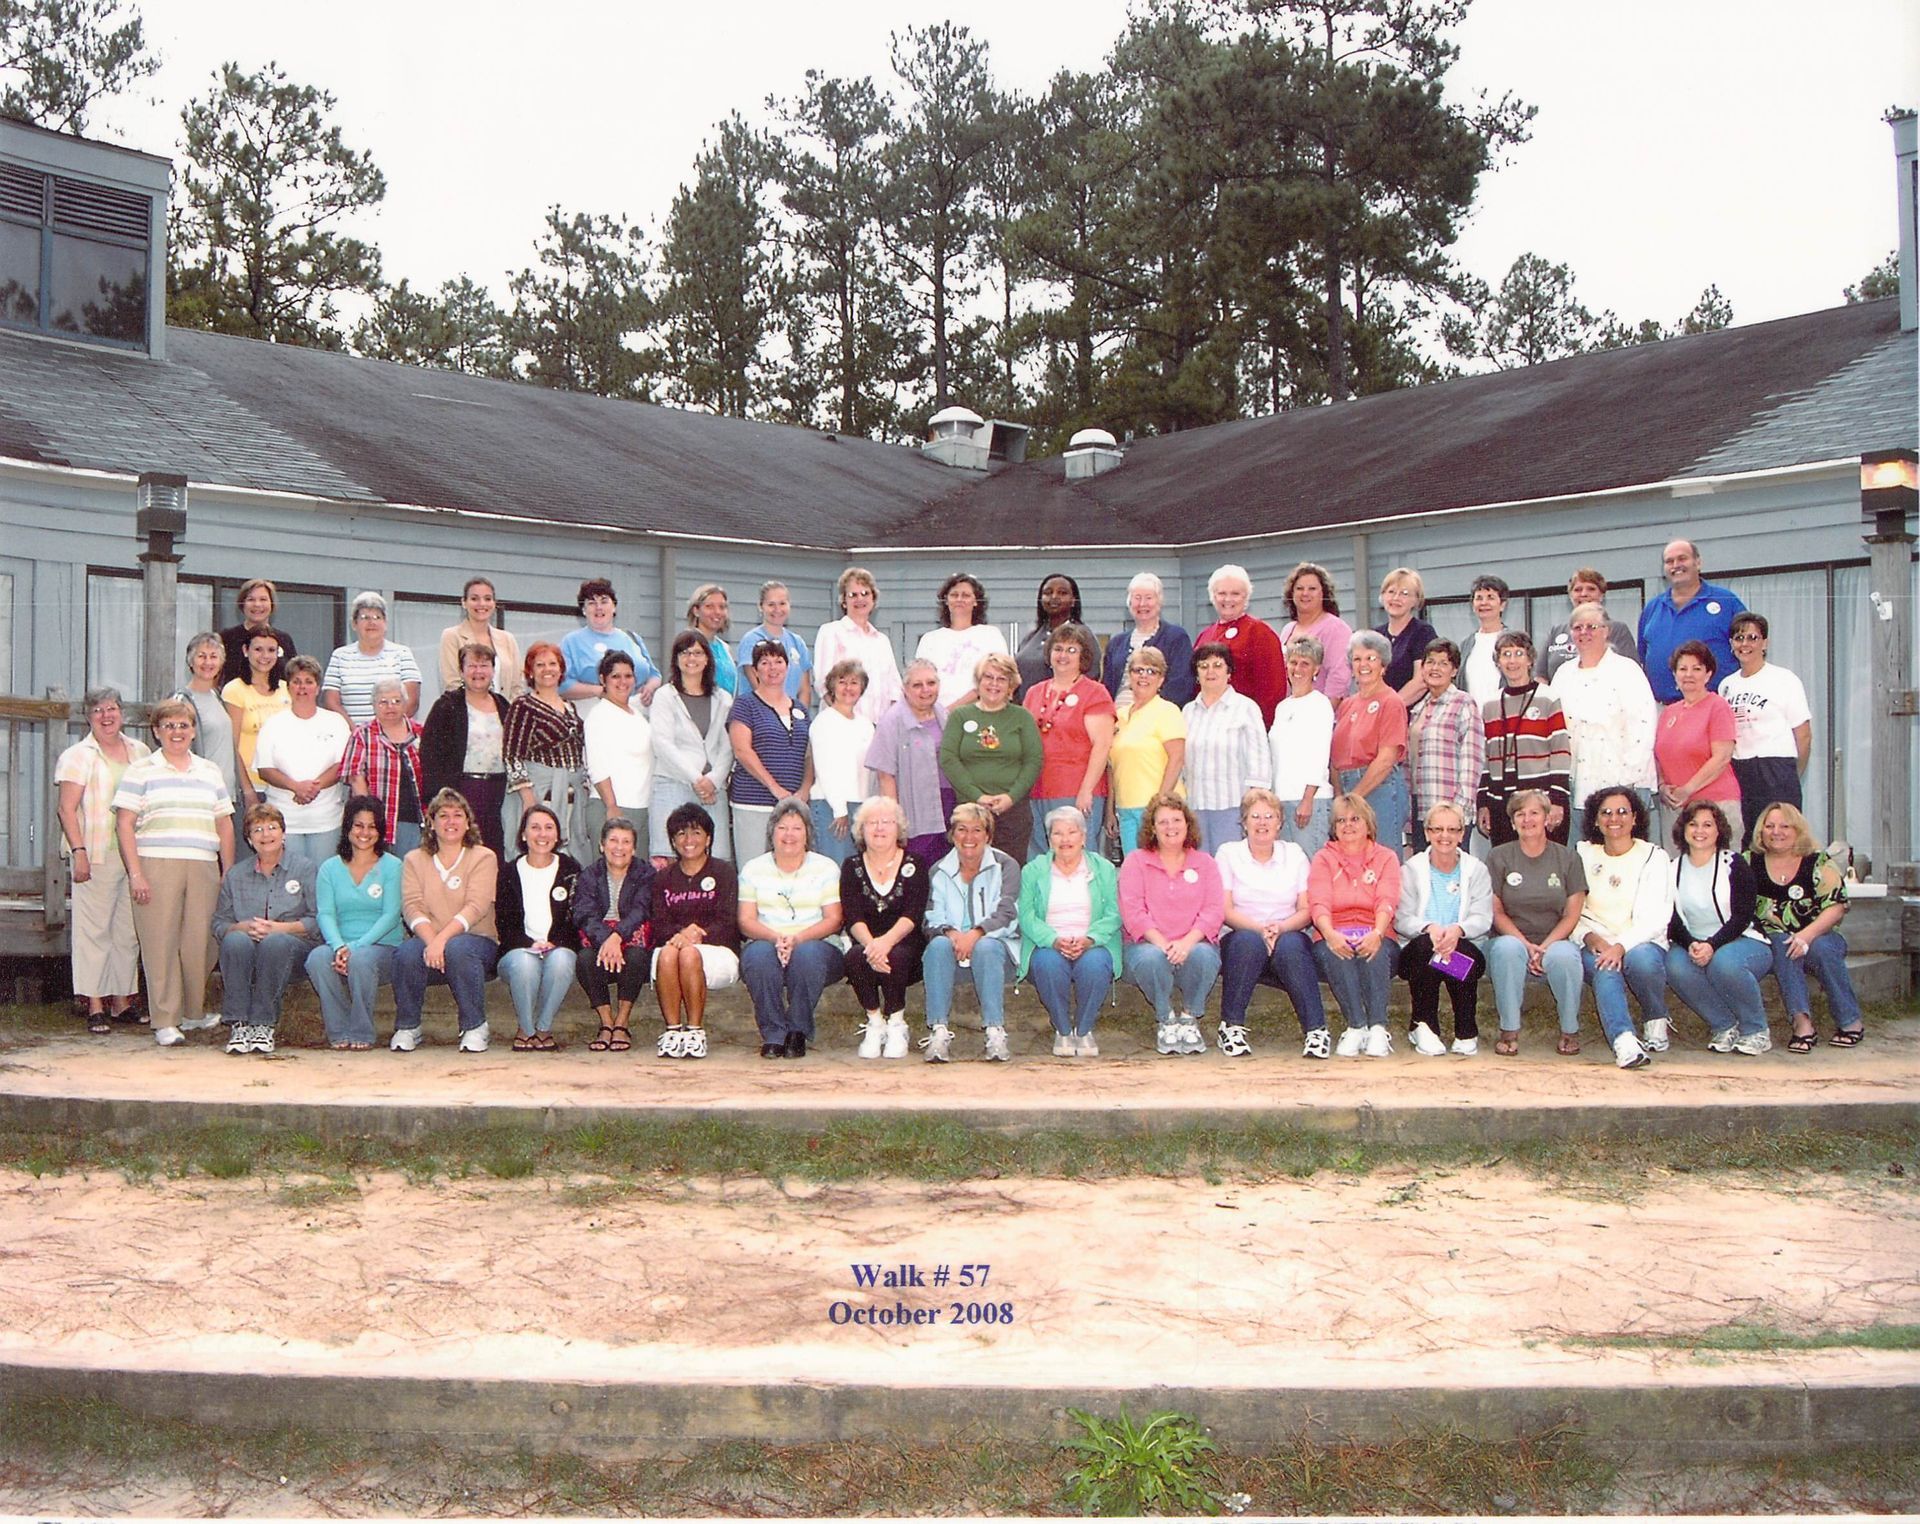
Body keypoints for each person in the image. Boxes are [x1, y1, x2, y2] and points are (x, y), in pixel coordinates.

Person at [113, 697, 236, 1046]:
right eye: (169, 726)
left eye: (183, 725)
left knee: (200, 942)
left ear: (194, 731)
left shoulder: (209, 770)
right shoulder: (142, 770)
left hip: (202, 865)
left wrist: (227, 871)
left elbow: (224, 824)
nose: (177, 732)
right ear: (156, 731)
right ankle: (165, 1019)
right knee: (159, 942)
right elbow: (125, 823)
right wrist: (136, 873)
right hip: (156, 863)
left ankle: (193, 1013)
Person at [56, 687, 149, 1034]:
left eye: (112, 708)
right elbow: (66, 808)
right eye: (98, 710)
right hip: (95, 852)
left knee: (127, 931)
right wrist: (78, 851)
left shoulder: (140, 751)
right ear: (88, 716)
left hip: (134, 853)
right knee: (93, 930)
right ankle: (95, 1002)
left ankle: (123, 1000)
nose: (106, 716)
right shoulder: (78, 755)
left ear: (121, 713)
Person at [1216, 787, 1326, 1058]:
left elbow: (1306, 909)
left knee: (1291, 945)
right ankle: (1231, 1026)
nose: (1262, 822)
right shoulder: (1228, 853)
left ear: (1280, 822)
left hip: (1286, 934)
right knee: (1248, 941)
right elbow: (1224, 909)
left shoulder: (1295, 854)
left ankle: (1316, 1029)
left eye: (1269, 816)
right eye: (1255, 816)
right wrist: (1260, 930)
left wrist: (1280, 928)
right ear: (1244, 823)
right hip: (1242, 937)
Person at [1748, 802, 1865, 1053]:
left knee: (1821, 949)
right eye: (1769, 826)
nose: (1776, 831)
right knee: (1783, 944)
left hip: (1820, 935)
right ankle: (1802, 1023)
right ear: (1761, 831)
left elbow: (1836, 906)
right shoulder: (1749, 862)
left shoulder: (1817, 861)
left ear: (1797, 830)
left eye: (1784, 826)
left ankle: (1850, 1021)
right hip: (1773, 941)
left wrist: (1806, 935)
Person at [392, 788, 500, 1053]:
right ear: (431, 822)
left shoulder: (484, 857)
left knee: (458, 948)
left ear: (467, 822)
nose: (450, 822)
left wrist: (441, 940)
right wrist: (433, 942)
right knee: (406, 953)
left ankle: (475, 1026)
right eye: (443, 816)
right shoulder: (414, 859)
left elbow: (477, 906)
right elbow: (412, 906)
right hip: (431, 941)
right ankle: (408, 1027)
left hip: (477, 942)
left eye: (457, 815)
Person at [737, 797, 846, 1058]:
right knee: (758, 958)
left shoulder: (825, 867)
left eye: (797, 828)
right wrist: (778, 938)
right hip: (766, 940)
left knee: (807, 955)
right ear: (771, 832)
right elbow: (746, 921)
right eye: (782, 827)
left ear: (808, 833)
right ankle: (774, 1034)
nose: (789, 835)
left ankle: (797, 1031)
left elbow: (833, 920)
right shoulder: (753, 869)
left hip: (818, 945)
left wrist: (796, 939)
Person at [1119, 793, 1225, 1058]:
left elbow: (1213, 911)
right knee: (1151, 958)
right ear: (1152, 828)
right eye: (1163, 822)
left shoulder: (1206, 863)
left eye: (1176, 820)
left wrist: (1187, 942)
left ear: (1187, 824)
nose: (1170, 827)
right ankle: (1166, 1019)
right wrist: (1164, 944)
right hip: (1147, 945)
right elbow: (1133, 912)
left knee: (1203, 955)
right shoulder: (1135, 862)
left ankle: (1189, 1019)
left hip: (1193, 943)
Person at [1573, 786, 1672, 1069]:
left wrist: (1621, 946)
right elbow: (1571, 911)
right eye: (1605, 812)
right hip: (1596, 941)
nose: (1613, 818)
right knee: (1605, 968)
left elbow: (1657, 916)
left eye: (1621, 812)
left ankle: (1655, 1017)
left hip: (1641, 941)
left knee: (1641, 960)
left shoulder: (1654, 856)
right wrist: (1588, 936)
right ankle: (1624, 1041)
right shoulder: (1582, 854)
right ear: (1594, 819)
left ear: (1636, 818)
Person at [1664, 800, 1772, 1055]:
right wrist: (1691, 943)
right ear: (1683, 829)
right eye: (1693, 824)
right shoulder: (1671, 868)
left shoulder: (1734, 864)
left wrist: (1712, 945)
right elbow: (1671, 919)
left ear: (1718, 831)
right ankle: (1724, 1025)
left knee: (1724, 962)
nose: (1699, 831)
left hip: (1743, 941)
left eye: (1707, 825)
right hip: (1694, 942)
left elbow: (1743, 915)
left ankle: (1756, 1030)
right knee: (1674, 965)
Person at [1485, 791, 1588, 1057]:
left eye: (1534, 813)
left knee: (1565, 956)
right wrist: (1526, 945)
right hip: (1510, 939)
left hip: (1554, 940)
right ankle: (1509, 1029)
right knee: (1507, 950)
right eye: (1520, 814)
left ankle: (1570, 1029)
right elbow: (1496, 912)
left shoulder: (1568, 858)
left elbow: (1572, 914)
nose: (1527, 819)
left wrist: (1544, 947)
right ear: (1512, 822)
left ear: (1547, 818)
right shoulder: (1498, 856)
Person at [212, 803, 317, 1055]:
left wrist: (280, 928)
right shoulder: (236, 875)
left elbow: (317, 919)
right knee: (235, 940)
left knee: (275, 942)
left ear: (283, 834)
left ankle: (262, 1024)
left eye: (272, 827)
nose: (266, 835)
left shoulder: (305, 869)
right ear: (248, 839)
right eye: (257, 830)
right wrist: (242, 927)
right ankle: (239, 1025)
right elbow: (219, 924)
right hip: (248, 947)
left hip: (293, 948)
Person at [1017, 804, 1122, 1057]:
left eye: (1072, 832)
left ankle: (1084, 1030)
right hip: (1048, 943)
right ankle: (1063, 1031)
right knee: (1047, 964)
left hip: (1092, 942)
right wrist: (1053, 940)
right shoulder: (1033, 870)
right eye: (1057, 833)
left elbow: (1114, 914)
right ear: (1049, 838)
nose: (1065, 839)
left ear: (1084, 837)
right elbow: (1026, 915)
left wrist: (1090, 939)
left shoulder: (1104, 869)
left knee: (1096, 964)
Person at [922, 801, 1022, 1063]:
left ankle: (994, 1031)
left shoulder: (1006, 865)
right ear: (952, 835)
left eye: (977, 830)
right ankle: (939, 1031)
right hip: (952, 953)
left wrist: (976, 934)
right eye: (962, 830)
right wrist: (952, 933)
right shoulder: (939, 871)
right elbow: (931, 918)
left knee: (987, 947)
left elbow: (1008, 913)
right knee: (937, 946)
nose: (969, 837)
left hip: (996, 952)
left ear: (988, 835)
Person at [304, 796, 405, 1051]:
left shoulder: (393, 866)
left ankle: (362, 1030)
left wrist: (356, 947)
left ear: (380, 830)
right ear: (347, 827)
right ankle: (338, 1030)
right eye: (358, 825)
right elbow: (325, 914)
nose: (365, 833)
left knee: (361, 959)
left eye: (372, 826)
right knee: (317, 958)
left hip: (382, 948)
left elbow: (391, 915)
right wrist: (339, 947)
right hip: (341, 946)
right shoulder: (329, 868)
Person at [1394, 803, 1492, 1057]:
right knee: (1428, 949)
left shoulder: (1477, 870)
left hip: (1463, 949)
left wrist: (1458, 930)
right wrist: (1429, 927)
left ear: (1462, 833)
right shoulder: (1411, 870)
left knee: (1456, 954)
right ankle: (1424, 1025)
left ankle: (1465, 1029)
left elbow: (1483, 918)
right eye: (1437, 829)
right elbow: (1401, 919)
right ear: (1426, 833)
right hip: (1418, 953)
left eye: (1452, 829)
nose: (1444, 836)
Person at [1308, 793, 1401, 1056]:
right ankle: (1357, 1026)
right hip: (1333, 933)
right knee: (1336, 952)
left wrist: (1378, 932)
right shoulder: (1323, 859)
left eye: (1355, 819)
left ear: (1369, 824)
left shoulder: (1387, 857)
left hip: (1377, 931)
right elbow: (1319, 903)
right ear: (1333, 828)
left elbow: (1387, 899)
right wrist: (1329, 934)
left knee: (1376, 951)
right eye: (1341, 821)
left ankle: (1378, 1028)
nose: (1348, 825)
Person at [647, 802, 741, 1059]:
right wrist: (680, 935)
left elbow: (729, 920)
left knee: (688, 954)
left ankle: (695, 1032)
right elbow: (659, 922)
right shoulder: (663, 878)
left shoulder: (724, 872)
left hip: (718, 952)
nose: (689, 840)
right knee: (668, 954)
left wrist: (698, 934)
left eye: (696, 833)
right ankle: (673, 1031)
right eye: (681, 834)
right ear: (673, 841)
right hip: (673, 948)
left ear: (708, 838)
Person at [1551, 603, 1658, 817]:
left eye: (1591, 626)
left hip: (1624, 782)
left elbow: (1643, 729)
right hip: (1576, 783)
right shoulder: (1563, 675)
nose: (1584, 633)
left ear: (1606, 631)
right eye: (1577, 627)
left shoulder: (1627, 670)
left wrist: (1626, 784)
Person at [844, 796, 929, 1060]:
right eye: (872, 823)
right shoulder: (851, 866)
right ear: (861, 830)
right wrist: (872, 945)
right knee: (855, 957)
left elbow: (913, 913)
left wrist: (885, 944)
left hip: (907, 945)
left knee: (897, 955)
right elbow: (852, 915)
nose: (879, 828)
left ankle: (896, 1022)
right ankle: (875, 1022)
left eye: (886, 822)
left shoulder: (915, 864)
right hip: (867, 943)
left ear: (898, 828)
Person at [939, 652, 1043, 864]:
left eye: (1001, 679)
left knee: (1010, 873)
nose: (994, 684)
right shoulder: (960, 716)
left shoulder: (1022, 717)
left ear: (1011, 685)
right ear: (978, 681)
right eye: (988, 677)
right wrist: (977, 796)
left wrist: (1011, 797)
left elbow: (1034, 761)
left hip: (1013, 812)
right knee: (970, 872)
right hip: (970, 812)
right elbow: (948, 758)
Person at [494, 802, 582, 1053]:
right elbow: (504, 922)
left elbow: (576, 919)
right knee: (525, 964)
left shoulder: (570, 870)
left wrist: (555, 943)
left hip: (558, 947)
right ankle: (526, 1028)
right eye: (535, 828)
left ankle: (542, 1028)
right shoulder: (509, 872)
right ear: (523, 834)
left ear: (557, 834)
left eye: (548, 827)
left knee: (562, 961)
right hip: (518, 949)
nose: (542, 834)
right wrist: (529, 944)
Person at [1024, 621, 1116, 855]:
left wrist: (1086, 790)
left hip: (1078, 792)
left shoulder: (1095, 692)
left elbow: (1102, 745)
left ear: (1083, 657)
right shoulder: (1034, 692)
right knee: (1042, 861)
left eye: (1071, 650)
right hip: (1037, 790)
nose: (1063, 655)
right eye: (1058, 648)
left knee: (1078, 859)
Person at [251, 655, 350, 867]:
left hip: (326, 819)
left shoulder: (336, 722)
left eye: (309, 682)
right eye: (296, 682)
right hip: (285, 820)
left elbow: (342, 765)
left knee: (322, 884)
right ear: (288, 687)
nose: (302, 687)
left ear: (318, 687)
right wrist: (296, 787)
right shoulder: (273, 724)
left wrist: (312, 788)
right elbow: (265, 769)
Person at [1476, 632, 1571, 848]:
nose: (1512, 661)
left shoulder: (1548, 698)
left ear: (1529, 660)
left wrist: (1557, 800)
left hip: (1541, 802)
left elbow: (1560, 752)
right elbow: (1485, 758)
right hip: (1501, 804)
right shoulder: (1490, 704)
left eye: (1519, 654)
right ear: (1498, 662)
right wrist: (1484, 802)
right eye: (1506, 654)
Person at [1719, 612, 1812, 827]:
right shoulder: (1726, 685)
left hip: (1776, 768)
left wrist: (1791, 774)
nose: (1745, 644)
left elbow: (1804, 735)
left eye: (1752, 638)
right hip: (1740, 769)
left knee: (1780, 834)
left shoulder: (1784, 679)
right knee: (1748, 837)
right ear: (1731, 643)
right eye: (1739, 638)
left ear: (1765, 643)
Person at [571, 814, 653, 1054]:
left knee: (637, 957)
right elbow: (584, 913)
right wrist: (607, 939)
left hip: (631, 939)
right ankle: (606, 1022)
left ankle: (622, 1022)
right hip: (600, 940)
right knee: (585, 958)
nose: (619, 847)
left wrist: (617, 937)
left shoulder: (645, 874)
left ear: (634, 847)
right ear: (602, 845)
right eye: (613, 841)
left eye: (626, 842)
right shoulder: (589, 875)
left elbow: (642, 909)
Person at [650, 630, 735, 860]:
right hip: (673, 784)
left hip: (713, 790)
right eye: (685, 652)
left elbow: (729, 748)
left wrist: (713, 780)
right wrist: (697, 780)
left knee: (716, 860)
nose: (691, 658)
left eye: (698, 652)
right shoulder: (665, 696)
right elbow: (663, 744)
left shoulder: (724, 698)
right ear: (676, 659)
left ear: (707, 658)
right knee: (669, 860)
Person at [420, 643, 512, 857]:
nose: (478, 672)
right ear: (461, 671)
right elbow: (429, 754)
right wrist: (440, 796)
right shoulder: (447, 706)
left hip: (499, 791)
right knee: (464, 849)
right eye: (472, 666)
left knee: (496, 851)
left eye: (484, 665)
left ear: (493, 670)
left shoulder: (504, 705)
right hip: (463, 790)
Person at [505, 641, 592, 866]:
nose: (547, 669)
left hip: (571, 791)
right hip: (540, 790)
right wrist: (528, 799)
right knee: (537, 847)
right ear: (530, 671)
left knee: (570, 854)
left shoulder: (570, 707)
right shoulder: (523, 705)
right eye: (540, 664)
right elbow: (512, 754)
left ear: (561, 669)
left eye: (552, 664)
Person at [729, 640, 813, 859]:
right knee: (754, 869)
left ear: (788, 666)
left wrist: (804, 789)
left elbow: (809, 754)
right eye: (765, 662)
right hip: (754, 804)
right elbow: (742, 751)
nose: (772, 668)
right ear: (755, 670)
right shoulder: (745, 705)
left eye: (778, 661)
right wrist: (775, 789)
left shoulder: (801, 709)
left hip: (793, 809)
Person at [1654, 640, 1741, 850]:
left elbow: (1721, 757)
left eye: (1697, 669)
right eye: (1682, 668)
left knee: (1719, 874)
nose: (1689, 674)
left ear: (1708, 674)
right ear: (1674, 674)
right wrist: (1662, 786)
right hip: (1675, 809)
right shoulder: (1668, 713)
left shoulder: (1717, 707)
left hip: (1715, 806)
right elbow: (1658, 756)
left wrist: (1688, 790)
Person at [1183, 641, 1268, 856]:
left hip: (1232, 809)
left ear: (1229, 672)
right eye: (1203, 666)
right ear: (1196, 673)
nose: (1210, 671)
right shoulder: (1187, 711)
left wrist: (1254, 807)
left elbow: (1259, 760)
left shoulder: (1245, 708)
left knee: (1230, 873)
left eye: (1217, 665)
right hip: (1196, 807)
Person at [1330, 630, 1410, 856]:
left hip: (1379, 789)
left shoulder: (1391, 701)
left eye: (1371, 658)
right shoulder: (1346, 704)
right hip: (1346, 788)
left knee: (1382, 858)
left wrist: (1354, 798)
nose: (1363, 664)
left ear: (1383, 665)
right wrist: (1341, 799)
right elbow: (1336, 758)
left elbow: (1386, 759)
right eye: (1357, 659)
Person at [1639, 539, 1745, 703]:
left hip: (1716, 707)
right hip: (1666, 711)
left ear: (1698, 562)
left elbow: (1747, 649)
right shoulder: (1652, 608)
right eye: (1669, 561)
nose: (1675, 565)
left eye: (1682, 559)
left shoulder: (1726, 602)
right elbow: (1643, 656)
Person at [867, 658, 950, 862]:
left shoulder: (944, 714)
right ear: (905, 689)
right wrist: (893, 821)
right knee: (915, 866)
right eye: (917, 685)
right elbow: (885, 776)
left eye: (931, 683)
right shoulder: (892, 721)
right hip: (914, 811)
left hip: (947, 804)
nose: (925, 690)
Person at [1405, 640, 1484, 855]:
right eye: (1430, 662)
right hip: (1421, 808)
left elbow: (1473, 760)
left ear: (1454, 670)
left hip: (1449, 812)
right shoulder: (1419, 708)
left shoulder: (1463, 703)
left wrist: (1459, 810)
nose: (1435, 668)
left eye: (1443, 663)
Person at [1105, 646, 1186, 851]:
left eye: (1152, 671)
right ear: (1129, 676)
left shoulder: (1167, 711)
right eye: (1138, 670)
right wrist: (1110, 810)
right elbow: (1112, 767)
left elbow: (1176, 758)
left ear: (1161, 680)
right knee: (1135, 871)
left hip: (1158, 809)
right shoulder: (1119, 716)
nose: (1144, 676)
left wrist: (1160, 805)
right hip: (1126, 810)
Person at [344, 678, 429, 856]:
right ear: (374, 705)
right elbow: (356, 777)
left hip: (416, 821)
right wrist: (368, 821)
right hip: (378, 824)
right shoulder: (362, 735)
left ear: (405, 703)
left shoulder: (422, 732)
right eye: (383, 702)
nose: (390, 706)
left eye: (397, 701)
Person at [1270, 637, 1334, 857]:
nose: (1298, 669)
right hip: (1282, 799)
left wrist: (1307, 800)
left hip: (1309, 801)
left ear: (1316, 668)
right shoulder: (1282, 707)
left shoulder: (1320, 704)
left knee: (1310, 868)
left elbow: (1319, 755)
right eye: (1293, 662)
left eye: (1305, 663)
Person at [1202, 563, 1289, 722]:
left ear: (1246, 597)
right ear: (1212, 596)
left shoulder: (1259, 633)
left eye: (1235, 593)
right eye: (1222, 593)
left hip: (1243, 725)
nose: (1228, 599)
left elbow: (1273, 691)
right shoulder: (1205, 636)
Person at [584, 651, 654, 851]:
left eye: (628, 676)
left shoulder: (636, 714)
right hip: (613, 809)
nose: (623, 682)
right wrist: (612, 807)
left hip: (642, 807)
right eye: (615, 676)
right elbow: (597, 767)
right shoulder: (599, 716)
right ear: (602, 680)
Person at [808, 659, 874, 867]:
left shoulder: (866, 725)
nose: (848, 688)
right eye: (842, 681)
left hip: (860, 806)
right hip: (832, 808)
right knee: (834, 871)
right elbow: (825, 769)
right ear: (832, 687)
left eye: (854, 682)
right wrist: (840, 810)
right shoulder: (824, 721)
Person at [813, 567, 901, 722]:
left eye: (865, 593)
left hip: (878, 730)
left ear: (873, 599)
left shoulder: (882, 641)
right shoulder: (831, 632)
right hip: (841, 725)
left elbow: (894, 689)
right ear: (844, 601)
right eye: (853, 595)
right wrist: (848, 721)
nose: (860, 599)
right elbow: (823, 684)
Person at [560, 578, 661, 711]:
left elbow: (655, 675)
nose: (599, 607)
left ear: (614, 607)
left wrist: (650, 687)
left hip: (636, 713)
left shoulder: (632, 637)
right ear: (583, 610)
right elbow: (561, 685)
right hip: (593, 713)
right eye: (591, 603)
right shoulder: (571, 642)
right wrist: (599, 691)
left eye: (604, 601)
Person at [322, 591, 422, 725]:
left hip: (393, 738)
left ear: (385, 623)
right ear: (354, 624)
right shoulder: (340, 656)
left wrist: (382, 732)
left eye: (377, 617)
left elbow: (411, 701)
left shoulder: (402, 654)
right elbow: (331, 702)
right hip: (352, 736)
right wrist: (357, 732)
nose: (371, 622)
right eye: (364, 617)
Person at [222, 626, 291, 814]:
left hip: (282, 785)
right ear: (246, 651)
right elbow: (231, 745)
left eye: (271, 650)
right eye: (258, 649)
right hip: (252, 784)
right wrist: (247, 789)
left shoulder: (287, 689)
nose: (265, 656)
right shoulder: (234, 690)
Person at [916, 572, 1008, 709]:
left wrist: (951, 711)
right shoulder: (929, 639)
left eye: (966, 595)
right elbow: (919, 681)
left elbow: (998, 678)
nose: (959, 599)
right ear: (946, 600)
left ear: (976, 601)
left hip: (979, 712)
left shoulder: (990, 635)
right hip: (935, 717)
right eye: (954, 595)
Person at [1102, 572, 1195, 707]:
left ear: (1159, 601)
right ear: (1129, 602)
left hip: (1156, 717)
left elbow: (1180, 685)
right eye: (1137, 598)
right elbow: (1107, 688)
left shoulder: (1176, 637)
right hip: (1117, 718)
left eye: (1149, 598)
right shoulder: (1116, 643)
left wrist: (1144, 712)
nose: (1142, 604)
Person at [173, 632, 239, 811]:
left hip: (225, 794)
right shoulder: (183, 700)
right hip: (199, 795)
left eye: (213, 657)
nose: (208, 662)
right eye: (201, 656)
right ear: (190, 661)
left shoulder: (217, 696)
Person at [1536, 567, 1637, 682]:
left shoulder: (1617, 629)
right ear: (1570, 596)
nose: (1584, 594)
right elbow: (1541, 676)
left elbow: (1630, 674)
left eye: (1591, 589)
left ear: (1602, 595)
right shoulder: (1556, 631)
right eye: (1578, 589)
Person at [1272, 562, 1349, 710]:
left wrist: (1322, 714)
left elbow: (1339, 679)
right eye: (1299, 588)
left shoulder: (1336, 628)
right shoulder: (1288, 630)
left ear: (1324, 593)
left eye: (1312, 589)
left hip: (1321, 716)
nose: (1305, 593)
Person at [436, 576, 524, 698]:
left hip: (504, 713)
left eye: (487, 599)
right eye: (474, 598)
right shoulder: (452, 636)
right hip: (465, 712)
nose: (482, 604)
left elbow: (517, 686)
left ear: (494, 603)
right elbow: (452, 684)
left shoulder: (508, 639)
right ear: (464, 603)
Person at [733, 580, 812, 707]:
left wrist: (799, 719)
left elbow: (804, 690)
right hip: (759, 716)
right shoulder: (751, 641)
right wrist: (779, 715)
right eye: (771, 604)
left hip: (792, 718)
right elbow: (758, 686)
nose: (777, 609)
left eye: (782, 603)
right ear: (760, 606)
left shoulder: (797, 643)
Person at [1013, 572, 1083, 699]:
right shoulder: (1030, 638)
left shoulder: (1082, 636)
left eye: (1062, 593)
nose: (1054, 597)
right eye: (1048, 593)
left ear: (1073, 601)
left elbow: (1090, 677)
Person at [1374, 567, 1438, 701]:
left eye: (1404, 593)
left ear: (1415, 600)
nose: (1396, 598)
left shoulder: (1422, 632)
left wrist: (1391, 708)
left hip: (1412, 714)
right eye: (1391, 592)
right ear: (1382, 596)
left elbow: (1421, 681)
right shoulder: (1375, 636)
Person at [217, 577, 293, 688]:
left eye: (263, 599)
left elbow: (293, 677)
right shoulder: (226, 638)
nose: (257, 605)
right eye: (251, 599)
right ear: (242, 604)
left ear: (272, 604)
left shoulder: (284, 639)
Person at [1457, 574, 1515, 710]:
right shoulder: (1466, 645)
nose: (1484, 603)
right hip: (1472, 723)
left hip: (1505, 717)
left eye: (1490, 597)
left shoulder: (1514, 641)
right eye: (1479, 598)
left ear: (1502, 605)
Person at [685, 582, 740, 696]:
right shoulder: (688, 645)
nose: (717, 612)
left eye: (722, 607)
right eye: (709, 606)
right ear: (696, 610)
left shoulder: (725, 648)